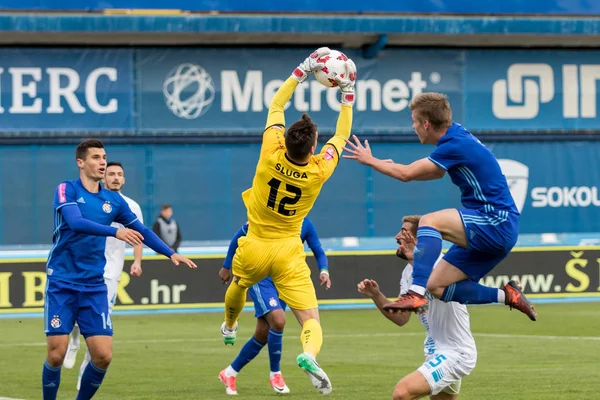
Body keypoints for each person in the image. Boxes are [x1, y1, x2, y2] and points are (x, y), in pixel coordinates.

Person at [221, 47, 356, 395]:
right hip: (288, 251)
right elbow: (340, 137)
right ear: (312, 148)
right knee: (310, 318)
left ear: (286, 141)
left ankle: (229, 324)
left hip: (253, 243)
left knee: (238, 284)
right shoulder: (318, 171)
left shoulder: (271, 153)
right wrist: (347, 96)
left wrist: (302, 70)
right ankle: (309, 354)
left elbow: (276, 106)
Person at [343, 92, 537, 321]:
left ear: (426, 124)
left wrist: (370, 160)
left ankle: (415, 292)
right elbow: (434, 172)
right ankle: (507, 295)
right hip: (495, 226)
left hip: (496, 221)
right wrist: (392, 167)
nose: (413, 127)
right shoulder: (456, 136)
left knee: (429, 221)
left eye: (415, 121)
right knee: (436, 286)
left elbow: (407, 175)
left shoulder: (455, 145)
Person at [42, 139, 196, 400]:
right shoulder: (66, 189)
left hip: (94, 285)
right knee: (56, 354)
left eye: (104, 157)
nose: (102, 162)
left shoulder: (113, 200)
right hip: (63, 281)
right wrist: (116, 231)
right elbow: (76, 222)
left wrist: (170, 252)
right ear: (80, 162)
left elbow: (143, 231)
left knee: (103, 356)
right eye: (95, 158)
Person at [358, 215, 477, 400]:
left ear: (418, 238)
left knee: (402, 392)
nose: (397, 236)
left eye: (403, 232)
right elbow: (401, 319)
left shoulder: (443, 265)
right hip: (435, 351)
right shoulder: (408, 273)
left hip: (456, 352)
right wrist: (376, 295)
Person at [218, 218, 330, 395]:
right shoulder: (268, 218)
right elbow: (239, 236)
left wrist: (324, 270)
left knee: (263, 333)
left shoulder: (305, 223)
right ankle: (275, 373)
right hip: (261, 277)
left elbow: (318, 250)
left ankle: (229, 372)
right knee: (278, 320)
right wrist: (226, 266)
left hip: (284, 278)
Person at [62, 162, 145, 391]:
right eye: (111, 174)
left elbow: (140, 236)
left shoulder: (131, 206)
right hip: (85, 269)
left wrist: (137, 262)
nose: (116, 177)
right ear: (103, 177)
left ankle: (83, 374)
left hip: (110, 276)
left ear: (124, 179)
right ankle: (74, 341)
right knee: (76, 319)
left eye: (120, 174)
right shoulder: (92, 200)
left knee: (97, 329)